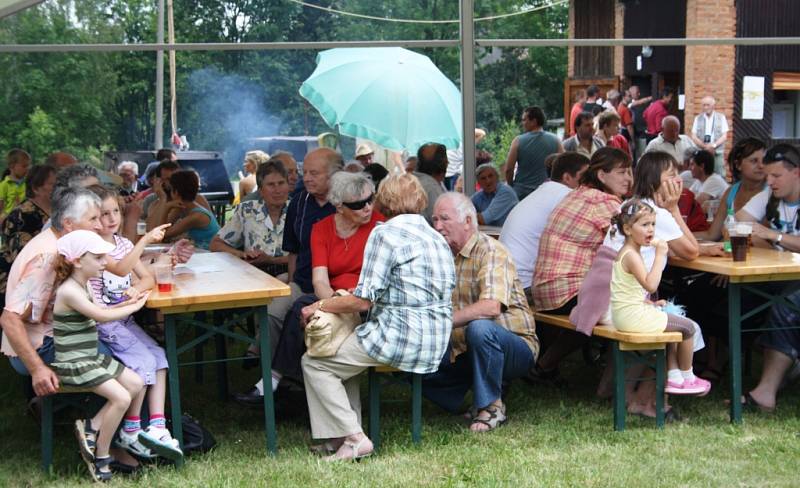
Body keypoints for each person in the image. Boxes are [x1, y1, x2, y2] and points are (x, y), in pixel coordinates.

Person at [299, 173, 454, 460]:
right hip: (436, 339)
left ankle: (355, 438)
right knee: (341, 353)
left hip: (400, 335)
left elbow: (362, 300)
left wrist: (319, 306)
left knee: (315, 362)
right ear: (420, 199)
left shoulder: (384, 233)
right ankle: (340, 437)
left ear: (384, 200)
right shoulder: (435, 236)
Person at [426, 192, 538, 432]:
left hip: (515, 346)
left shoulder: (491, 251)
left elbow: (491, 306)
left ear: (468, 221)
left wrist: (443, 322)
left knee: (480, 327)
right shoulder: (442, 255)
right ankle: (471, 397)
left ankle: (492, 406)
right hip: (465, 348)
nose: (437, 226)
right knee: (408, 354)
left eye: (444, 219)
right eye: (434, 220)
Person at [86, 185, 183, 462]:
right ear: (92, 218)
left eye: (116, 211)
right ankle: (130, 430)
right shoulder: (94, 249)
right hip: (107, 323)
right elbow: (120, 268)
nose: (112, 219)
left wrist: (137, 288)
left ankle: (157, 425)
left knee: (160, 358)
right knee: (142, 362)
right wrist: (146, 240)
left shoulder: (123, 243)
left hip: (125, 320)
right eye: (104, 214)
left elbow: (147, 277)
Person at [51, 230, 148, 481]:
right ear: (77, 261)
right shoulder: (69, 291)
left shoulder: (84, 286)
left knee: (136, 383)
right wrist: (136, 306)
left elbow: (105, 308)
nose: (105, 263)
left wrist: (128, 301)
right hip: (74, 362)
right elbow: (101, 316)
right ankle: (101, 456)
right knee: (121, 398)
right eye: (98, 258)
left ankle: (92, 426)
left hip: (90, 358)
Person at [531, 148, 632, 379]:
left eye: (630, 172)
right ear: (601, 176)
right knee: (623, 300)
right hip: (565, 292)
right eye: (622, 172)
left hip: (545, 289)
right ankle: (617, 380)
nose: (629, 178)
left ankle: (544, 365)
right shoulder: (605, 203)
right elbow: (634, 246)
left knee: (605, 292)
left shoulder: (577, 194)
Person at [609, 200, 711, 395]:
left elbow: (627, 291)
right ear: (628, 229)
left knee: (670, 318)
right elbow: (651, 284)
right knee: (688, 327)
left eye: (653, 224)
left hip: (627, 314)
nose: (651, 230)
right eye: (645, 225)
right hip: (631, 318)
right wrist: (659, 254)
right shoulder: (631, 255)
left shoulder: (630, 252)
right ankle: (688, 376)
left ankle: (673, 377)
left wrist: (651, 303)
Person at [500, 152, 590, 296]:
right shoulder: (567, 195)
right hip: (525, 287)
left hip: (508, 282)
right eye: (585, 176)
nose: (590, 182)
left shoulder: (545, 191)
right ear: (567, 177)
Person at [211, 160, 290, 278]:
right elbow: (216, 244)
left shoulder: (300, 211)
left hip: (289, 276)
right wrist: (242, 255)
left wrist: (270, 260)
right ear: (261, 191)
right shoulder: (247, 210)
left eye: (281, 183)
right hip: (253, 276)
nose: (277, 190)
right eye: (271, 185)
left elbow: (309, 256)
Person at [0, 164, 57, 307]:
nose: (58, 188)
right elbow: (19, 257)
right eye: (53, 184)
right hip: (19, 287)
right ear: (36, 188)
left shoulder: (57, 212)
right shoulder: (21, 215)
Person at [736, 144, 800, 252]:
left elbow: (769, 234)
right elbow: (732, 224)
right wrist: (758, 239)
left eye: (776, 176)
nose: (769, 182)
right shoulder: (769, 194)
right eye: (767, 176)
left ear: (796, 173)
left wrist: (773, 235)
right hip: (780, 267)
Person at [504, 106, 563, 200]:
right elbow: (563, 166)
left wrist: (511, 186)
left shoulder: (518, 141)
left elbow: (509, 169)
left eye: (524, 120)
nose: (522, 123)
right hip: (546, 192)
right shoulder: (556, 140)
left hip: (522, 192)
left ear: (534, 121)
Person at [156, 170, 220, 250]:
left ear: (176, 192)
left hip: (212, 255)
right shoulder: (183, 207)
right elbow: (161, 232)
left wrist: (166, 208)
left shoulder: (196, 216)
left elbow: (162, 235)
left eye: (171, 190)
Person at [689, 96, 729, 176]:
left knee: (720, 174)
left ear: (713, 105)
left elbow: (724, 136)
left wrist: (713, 146)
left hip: (717, 151)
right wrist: (705, 147)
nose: (706, 107)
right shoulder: (698, 118)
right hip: (702, 151)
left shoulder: (721, 117)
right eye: (704, 105)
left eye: (708, 105)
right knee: (703, 174)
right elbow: (693, 136)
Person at [413, 143, 448, 224]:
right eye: (446, 160)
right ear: (445, 163)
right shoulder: (431, 187)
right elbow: (442, 223)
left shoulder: (411, 182)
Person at [0, 148, 31, 222]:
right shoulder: (4, 185)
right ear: (12, 166)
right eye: (24, 166)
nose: (27, 169)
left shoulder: (29, 183)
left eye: (28, 166)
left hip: (26, 219)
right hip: (8, 221)